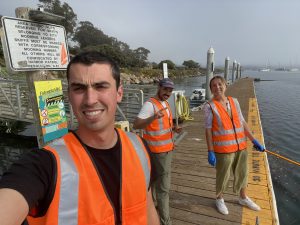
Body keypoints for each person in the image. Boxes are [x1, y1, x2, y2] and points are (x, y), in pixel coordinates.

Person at [0, 51, 160, 225]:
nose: (90, 100)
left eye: (101, 86)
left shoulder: (140, 148)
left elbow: (148, 207)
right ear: (69, 95)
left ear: (119, 93)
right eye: (79, 88)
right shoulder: (44, 164)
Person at [204, 75, 265, 215]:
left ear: (225, 85)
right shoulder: (209, 106)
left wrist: (253, 140)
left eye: (220, 84)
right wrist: (210, 150)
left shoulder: (234, 101)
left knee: (243, 173)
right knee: (223, 176)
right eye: (214, 85)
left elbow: (242, 122)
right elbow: (207, 130)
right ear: (211, 89)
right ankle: (219, 199)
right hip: (223, 149)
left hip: (241, 147)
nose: (217, 87)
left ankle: (243, 198)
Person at [133, 78, 182, 225]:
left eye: (170, 90)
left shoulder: (165, 104)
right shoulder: (150, 105)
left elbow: (161, 126)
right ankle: (165, 221)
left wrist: (174, 129)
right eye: (165, 89)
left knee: (154, 183)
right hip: (159, 153)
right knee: (164, 189)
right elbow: (136, 124)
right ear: (159, 87)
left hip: (164, 150)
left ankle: (152, 210)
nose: (167, 93)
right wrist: (154, 116)